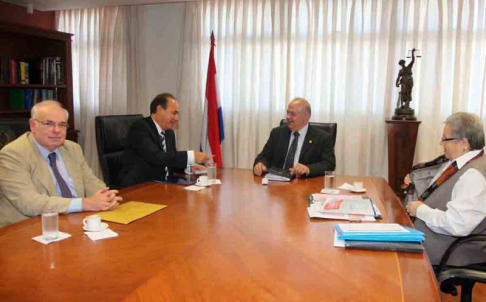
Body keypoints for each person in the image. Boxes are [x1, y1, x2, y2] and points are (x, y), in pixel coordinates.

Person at [0, 101, 122, 228]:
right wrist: (85, 204)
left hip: (74, 221)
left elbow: (91, 182)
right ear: (33, 125)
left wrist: (106, 199)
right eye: (49, 124)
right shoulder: (12, 155)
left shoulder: (72, 148)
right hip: (28, 228)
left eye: (62, 125)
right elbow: (30, 203)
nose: (57, 130)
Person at [405, 112, 486, 267]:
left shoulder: (474, 176)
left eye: (445, 139)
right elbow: (442, 189)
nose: (441, 144)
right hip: (434, 238)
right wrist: (415, 180)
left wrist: (421, 211)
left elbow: (457, 224)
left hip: (449, 250)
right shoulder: (459, 161)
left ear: (464, 143)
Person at [120, 93, 211, 187]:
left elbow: (169, 160)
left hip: (162, 185)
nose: (177, 118)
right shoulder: (140, 128)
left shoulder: (168, 133)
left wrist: (189, 168)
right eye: (174, 113)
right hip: (139, 187)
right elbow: (156, 157)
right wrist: (191, 155)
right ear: (159, 109)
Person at [253, 97, 336, 178]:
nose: (288, 117)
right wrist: (260, 164)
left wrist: (308, 169)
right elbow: (264, 156)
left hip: (304, 185)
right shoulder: (277, 133)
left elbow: (329, 164)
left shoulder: (323, 138)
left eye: (292, 114)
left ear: (306, 116)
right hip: (277, 183)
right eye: (287, 113)